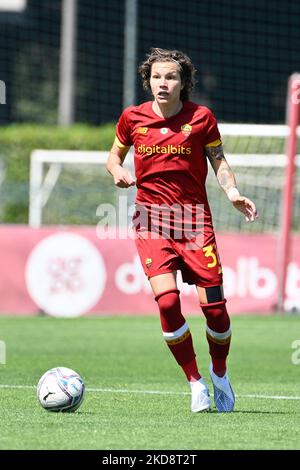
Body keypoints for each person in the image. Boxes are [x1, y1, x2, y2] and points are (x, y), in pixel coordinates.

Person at [106, 47, 258, 413]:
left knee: (216, 311)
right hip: (150, 221)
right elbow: (113, 156)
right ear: (149, 81)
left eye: (171, 76)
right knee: (169, 302)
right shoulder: (132, 118)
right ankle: (195, 382)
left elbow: (219, 162)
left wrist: (233, 192)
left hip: (193, 222)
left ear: (183, 82)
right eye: (157, 76)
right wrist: (117, 172)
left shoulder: (202, 118)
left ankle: (219, 373)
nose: (163, 82)